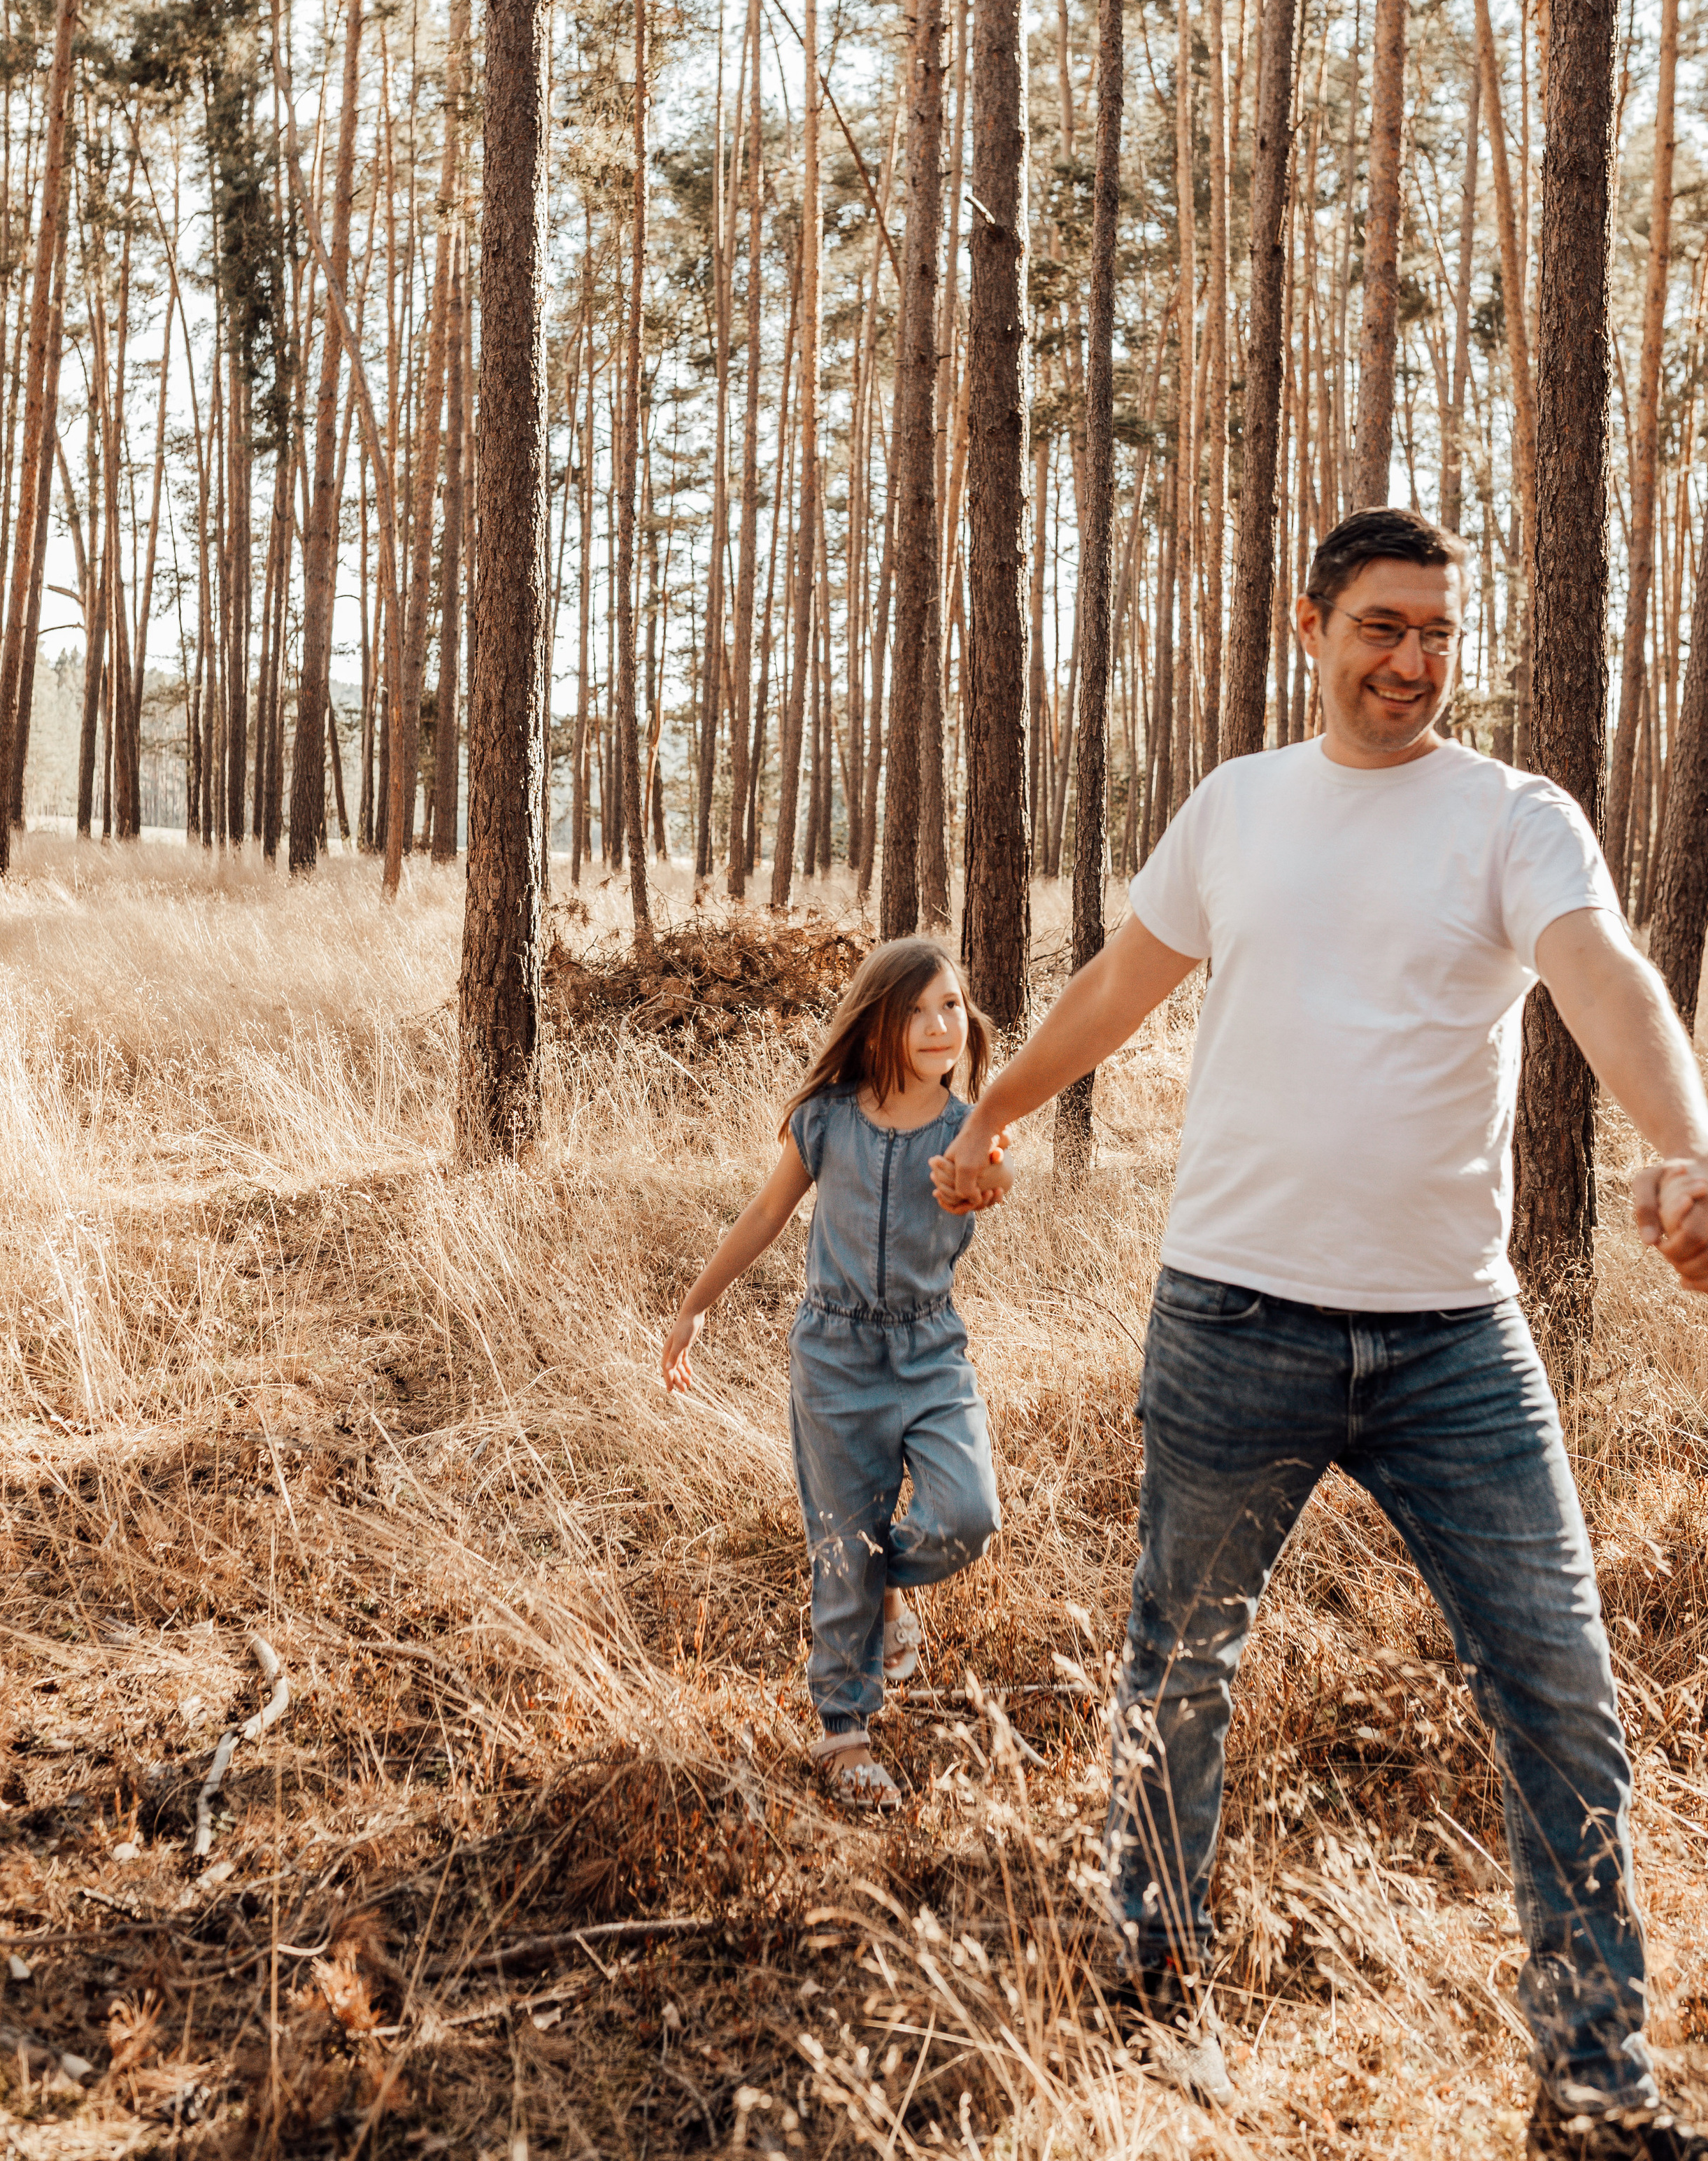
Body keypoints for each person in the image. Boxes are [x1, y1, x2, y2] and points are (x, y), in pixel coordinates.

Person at [934, 507, 1708, 2157]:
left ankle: (1590, 2075)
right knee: (1178, 1661)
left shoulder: (1513, 817)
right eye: (1378, 625)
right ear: (1309, 626)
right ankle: (1147, 1969)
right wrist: (989, 1111)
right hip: (1231, 1316)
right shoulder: (1236, 808)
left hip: (1455, 1347)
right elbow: (1114, 986)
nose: (1412, 662)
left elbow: (1604, 977)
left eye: (1435, 630)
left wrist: (1681, 1139)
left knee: (1558, 1686)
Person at [664, 939, 1011, 1811]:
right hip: (835, 1357)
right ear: (878, 1020)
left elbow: (992, 1179)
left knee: (967, 1515)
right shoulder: (826, 1118)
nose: (941, 1025)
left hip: (930, 1354)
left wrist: (985, 1184)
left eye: (954, 1007)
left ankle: (887, 1588)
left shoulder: (967, 1131)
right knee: (839, 1544)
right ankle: (844, 1731)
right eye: (920, 1008)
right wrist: (696, 1304)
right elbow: (768, 1212)